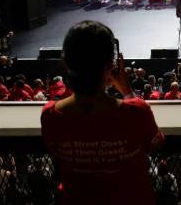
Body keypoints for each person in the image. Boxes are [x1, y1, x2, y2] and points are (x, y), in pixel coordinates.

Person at [41, 21, 164, 205]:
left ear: (66, 63)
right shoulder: (136, 111)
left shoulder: (50, 114)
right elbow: (156, 143)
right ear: (110, 65)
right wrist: (128, 93)